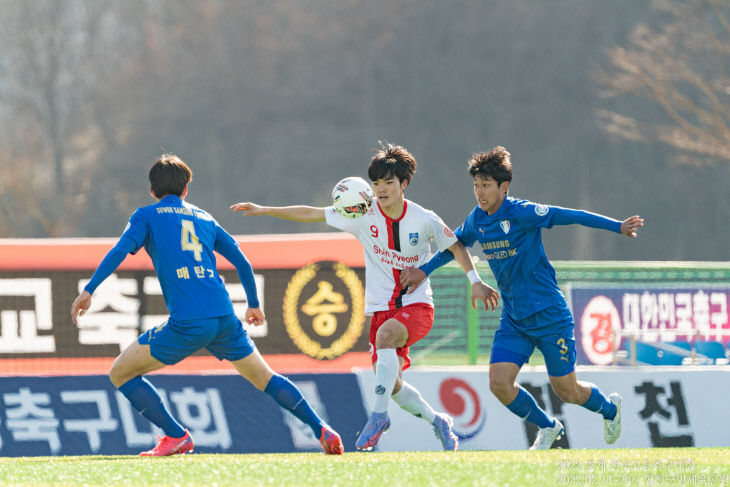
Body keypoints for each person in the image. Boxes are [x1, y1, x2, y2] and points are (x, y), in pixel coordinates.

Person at [230, 142, 499, 452]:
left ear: (404, 184)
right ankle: (438, 420)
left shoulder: (423, 219)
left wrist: (474, 281)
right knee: (393, 386)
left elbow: (455, 246)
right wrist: (264, 209)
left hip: (417, 306)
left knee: (386, 340)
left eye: (388, 182)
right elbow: (312, 213)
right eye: (376, 183)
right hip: (380, 310)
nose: (381, 189)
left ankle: (378, 416)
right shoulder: (360, 212)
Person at [71, 154, 343, 456]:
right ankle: (322, 428)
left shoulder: (145, 216)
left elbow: (120, 250)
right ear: (186, 189)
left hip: (188, 322)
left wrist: (90, 289)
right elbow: (242, 260)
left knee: (120, 373)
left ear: (152, 191)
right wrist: (253, 304)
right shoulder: (204, 217)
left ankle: (176, 436)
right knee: (265, 378)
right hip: (225, 317)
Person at [400, 146, 644, 450]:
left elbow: (572, 215)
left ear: (504, 187)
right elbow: (455, 244)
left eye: (486, 185)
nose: (479, 192)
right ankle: (548, 426)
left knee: (566, 391)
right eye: (476, 185)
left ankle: (609, 409)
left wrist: (617, 226)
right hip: (514, 318)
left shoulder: (523, 212)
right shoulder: (477, 219)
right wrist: (423, 270)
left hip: (550, 316)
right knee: (499, 383)